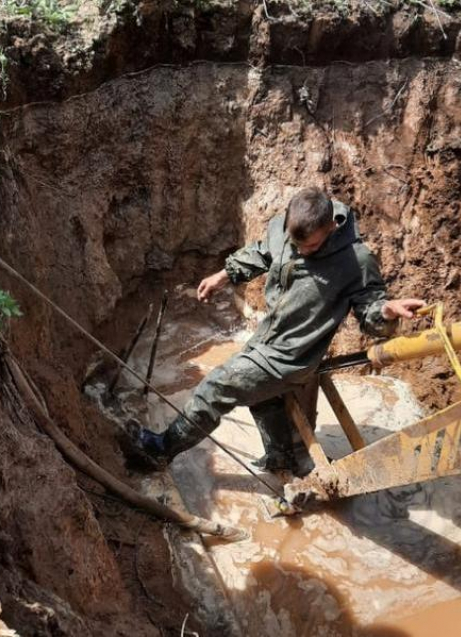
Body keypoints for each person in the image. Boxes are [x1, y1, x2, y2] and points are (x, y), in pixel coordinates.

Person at [122, 187, 424, 475]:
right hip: (265, 339)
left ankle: (161, 450)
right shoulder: (285, 229)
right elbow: (262, 253)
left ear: (332, 226)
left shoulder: (356, 261)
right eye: (297, 246)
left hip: (292, 357)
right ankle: (284, 459)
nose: (303, 252)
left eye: (313, 247)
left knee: (216, 388)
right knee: (260, 396)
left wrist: (384, 311)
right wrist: (223, 275)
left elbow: (369, 311)